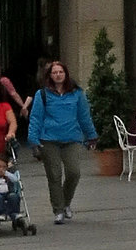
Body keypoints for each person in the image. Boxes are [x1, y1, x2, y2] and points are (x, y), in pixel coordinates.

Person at [25, 58, 95, 226]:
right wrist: (33, 140)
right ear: (49, 75)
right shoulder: (42, 94)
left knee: (74, 172)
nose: (58, 75)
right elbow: (36, 117)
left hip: (71, 138)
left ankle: (66, 203)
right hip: (49, 139)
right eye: (54, 72)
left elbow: (84, 116)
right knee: (54, 175)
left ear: (66, 74)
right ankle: (58, 210)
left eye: (61, 72)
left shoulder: (77, 93)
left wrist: (91, 135)